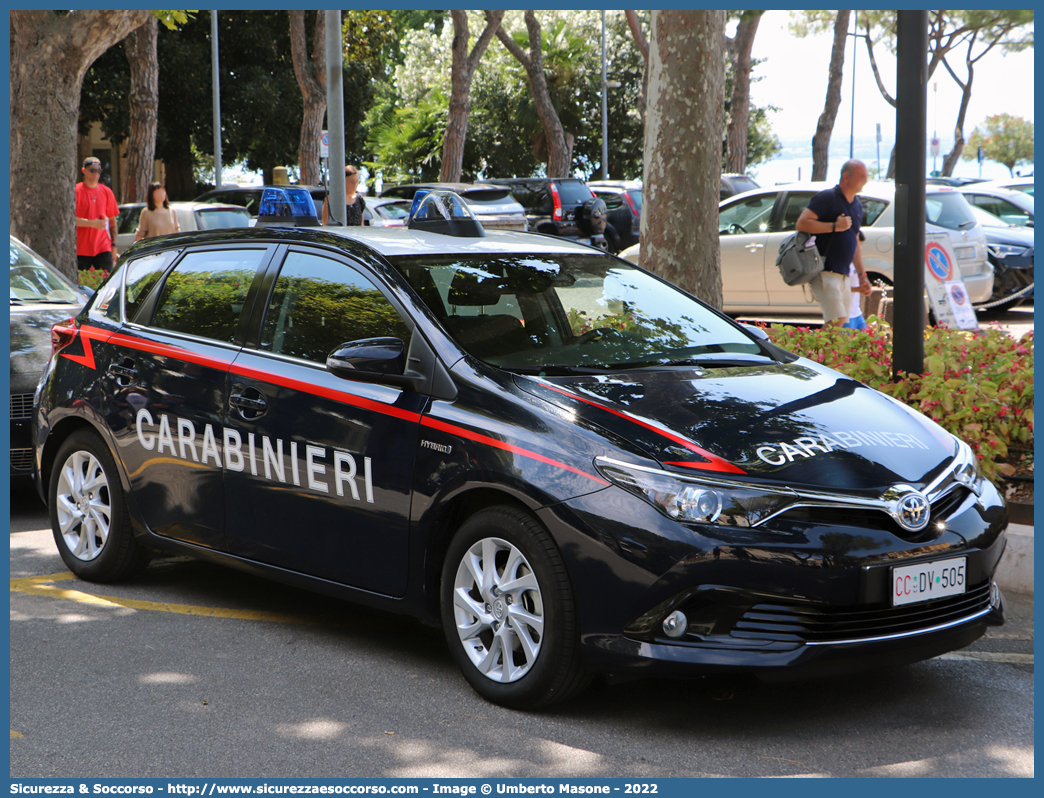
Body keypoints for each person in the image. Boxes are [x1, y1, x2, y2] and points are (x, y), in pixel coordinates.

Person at [796, 159, 871, 327]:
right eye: (862, 176)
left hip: (843, 273)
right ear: (846, 177)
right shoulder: (828, 197)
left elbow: (854, 241)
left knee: (842, 322)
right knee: (836, 321)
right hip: (825, 270)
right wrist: (835, 226)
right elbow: (802, 223)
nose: (866, 180)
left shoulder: (857, 205)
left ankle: (826, 353)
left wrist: (862, 275)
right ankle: (816, 353)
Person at [74, 156, 119, 272]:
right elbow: (70, 220)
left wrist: (113, 247)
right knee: (80, 285)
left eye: (98, 170)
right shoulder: (76, 191)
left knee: (107, 283)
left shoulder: (107, 192)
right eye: (92, 170)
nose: (96, 173)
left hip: (103, 247)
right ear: (84, 171)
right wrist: (91, 223)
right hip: (81, 249)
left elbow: (113, 221)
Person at [843, 233, 869, 331]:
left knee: (866, 342)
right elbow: (840, 287)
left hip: (857, 312)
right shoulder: (844, 265)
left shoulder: (855, 265)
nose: (860, 248)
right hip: (846, 314)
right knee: (846, 345)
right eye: (858, 245)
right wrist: (858, 289)